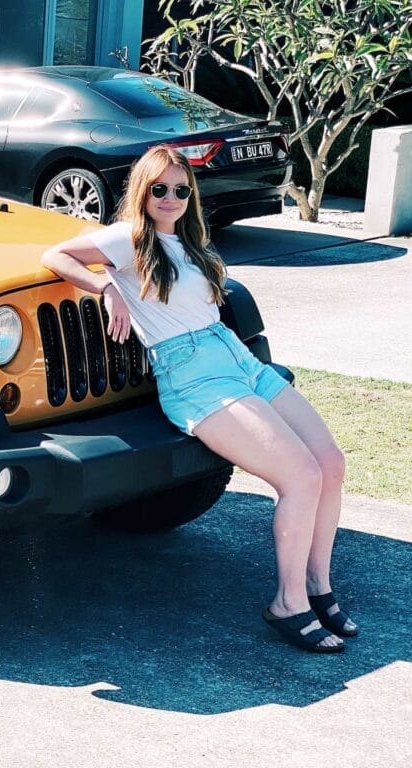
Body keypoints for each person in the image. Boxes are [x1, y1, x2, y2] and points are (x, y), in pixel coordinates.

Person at [40, 145, 355, 653]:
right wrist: (106, 288)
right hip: (193, 376)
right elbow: (55, 254)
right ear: (143, 191)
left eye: (181, 190)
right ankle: (288, 603)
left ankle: (319, 585)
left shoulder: (191, 243)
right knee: (300, 476)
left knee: (331, 463)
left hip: (234, 359)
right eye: (159, 189)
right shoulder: (128, 239)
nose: (170, 198)